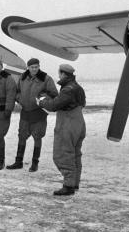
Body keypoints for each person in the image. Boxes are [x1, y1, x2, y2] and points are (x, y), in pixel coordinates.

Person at [39, 64, 86, 196]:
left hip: (68, 124)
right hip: (79, 123)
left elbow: (54, 106)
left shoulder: (68, 90)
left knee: (62, 154)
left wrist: (42, 101)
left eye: (59, 73)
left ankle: (68, 185)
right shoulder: (78, 88)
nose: (58, 76)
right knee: (75, 154)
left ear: (64, 74)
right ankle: (74, 183)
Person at [7, 58, 58, 172]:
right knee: (22, 136)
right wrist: (21, 99)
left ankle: (35, 163)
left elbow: (54, 94)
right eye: (32, 67)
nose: (34, 69)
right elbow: (17, 91)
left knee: (37, 136)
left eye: (36, 67)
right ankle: (18, 161)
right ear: (28, 67)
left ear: (39, 66)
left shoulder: (46, 78)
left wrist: (42, 99)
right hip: (25, 111)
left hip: (39, 112)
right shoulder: (23, 77)